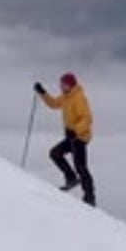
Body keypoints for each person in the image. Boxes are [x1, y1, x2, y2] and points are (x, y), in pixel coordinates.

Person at [34, 72, 96, 207]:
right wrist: (42, 92)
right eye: (61, 84)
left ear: (70, 85)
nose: (61, 86)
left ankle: (89, 198)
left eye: (64, 84)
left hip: (80, 137)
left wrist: (76, 131)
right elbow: (54, 104)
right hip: (70, 136)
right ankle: (71, 178)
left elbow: (87, 118)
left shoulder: (79, 98)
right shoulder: (66, 97)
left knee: (81, 167)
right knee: (55, 153)